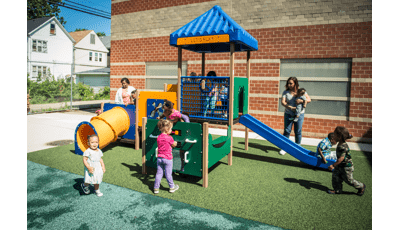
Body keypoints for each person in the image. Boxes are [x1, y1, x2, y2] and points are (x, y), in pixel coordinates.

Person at [327, 126, 366, 196]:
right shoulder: (340, 142)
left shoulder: (343, 146)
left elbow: (341, 159)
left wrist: (333, 165)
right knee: (335, 177)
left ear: (339, 137)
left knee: (349, 180)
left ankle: (361, 186)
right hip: (340, 165)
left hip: (346, 166)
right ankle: (337, 190)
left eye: (335, 134)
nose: (333, 135)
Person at [279, 77, 311, 155]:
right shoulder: (285, 92)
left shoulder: (301, 91)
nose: (289, 85)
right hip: (288, 114)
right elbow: (283, 102)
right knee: (287, 131)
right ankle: (284, 148)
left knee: (298, 131)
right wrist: (290, 107)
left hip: (299, 115)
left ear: (295, 84)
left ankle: (298, 147)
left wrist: (302, 101)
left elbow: (309, 99)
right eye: (288, 83)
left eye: (291, 83)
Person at [154, 119, 179, 194]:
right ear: (167, 129)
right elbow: (174, 144)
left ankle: (156, 188)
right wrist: (176, 142)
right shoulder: (169, 138)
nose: (171, 130)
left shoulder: (158, 137)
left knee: (159, 173)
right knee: (168, 174)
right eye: (171, 128)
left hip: (160, 158)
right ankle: (172, 187)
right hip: (167, 159)